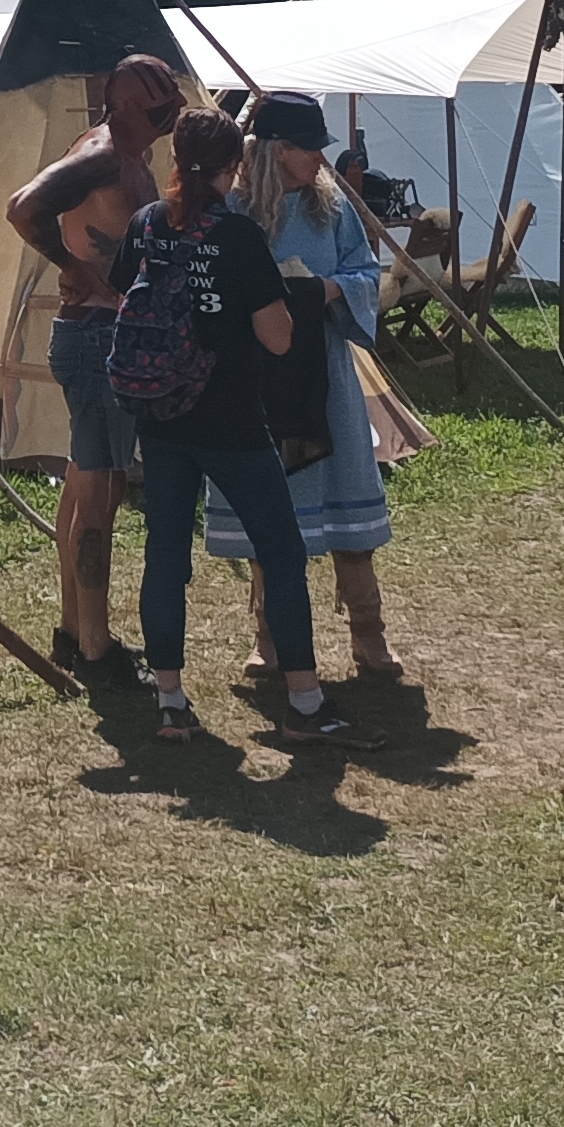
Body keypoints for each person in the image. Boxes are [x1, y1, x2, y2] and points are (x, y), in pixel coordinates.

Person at [113, 108, 362, 747]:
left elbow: (123, 295)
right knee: (282, 552)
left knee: (165, 556)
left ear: (176, 160)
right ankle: (304, 703)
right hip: (231, 419)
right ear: (235, 165)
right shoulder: (237, 235)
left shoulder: (147, 224)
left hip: (161, 416)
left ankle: (171, 701)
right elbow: (277, 338)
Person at [203, 90, 402, 683]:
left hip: (327, 373)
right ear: (276, 150)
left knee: (347, 500)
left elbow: (366, 271)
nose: (320, 158)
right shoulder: (233, 210)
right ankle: (269, 639)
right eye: (309, 147)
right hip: (257, 377)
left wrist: (327, 290)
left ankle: (368, 635)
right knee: (269, 510)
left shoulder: (332, 208)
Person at [4, 51, 184, 685]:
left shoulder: (127, 156)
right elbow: (24, 206)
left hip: (102, 334)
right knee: (102, 493)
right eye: (161, 105)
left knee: (84, 484)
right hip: (96, 337)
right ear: (131, 106)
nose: (172, 114)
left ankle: (73, 628)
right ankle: (97, 647)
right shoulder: (103, 154)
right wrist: (74, 268)